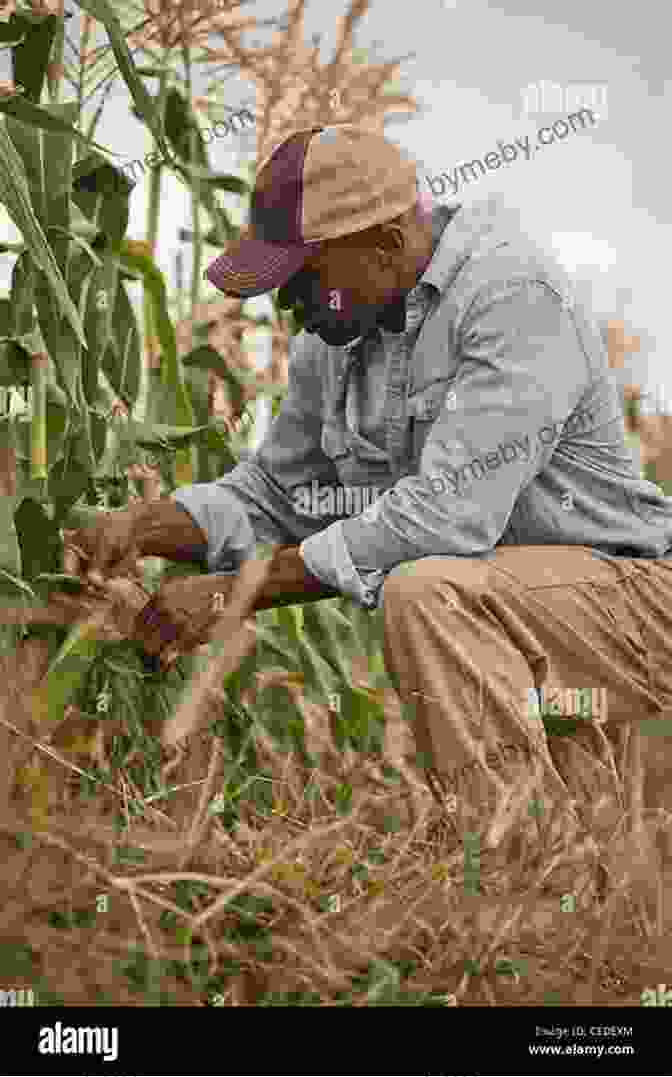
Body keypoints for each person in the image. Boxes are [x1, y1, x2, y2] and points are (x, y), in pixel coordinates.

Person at [67, 123, 672, 857]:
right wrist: (146, 523)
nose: (287, 307)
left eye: (302, 278)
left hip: (632, 601)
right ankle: (553, 884)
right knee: (609, 853)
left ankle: (515, 871)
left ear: (384, 241)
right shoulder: (337, 335)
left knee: (425, 592)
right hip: (517, 611)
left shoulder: (513, 298)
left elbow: (445, 517)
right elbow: (276, 494)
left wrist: (239, 589)